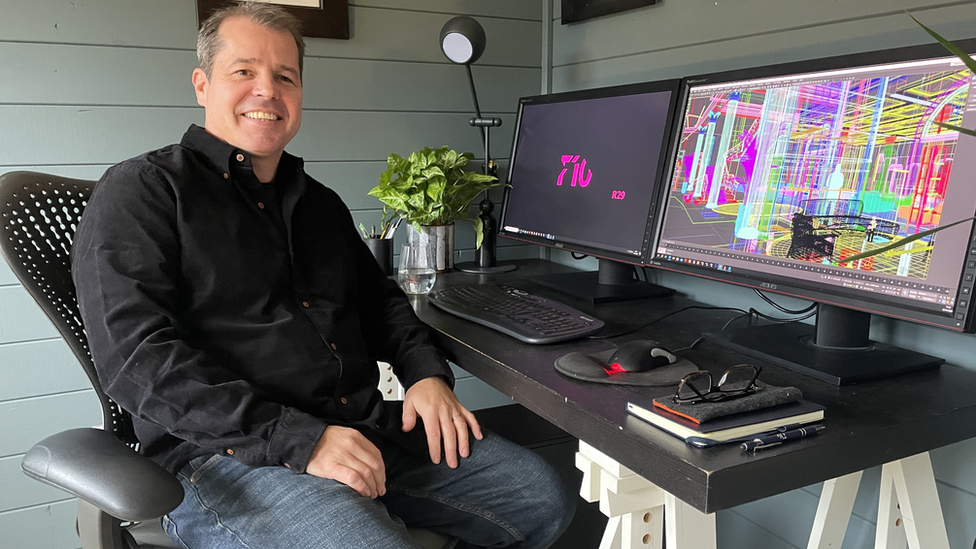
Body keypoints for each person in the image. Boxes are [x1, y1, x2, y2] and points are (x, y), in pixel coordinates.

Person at [71, 3, 575, 548]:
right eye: (244, 71)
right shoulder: (143, 191)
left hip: (359, 427)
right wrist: (300, 440)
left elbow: (379, 301)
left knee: (539, 496)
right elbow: (135, 358)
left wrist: (425, 375)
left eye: (285, 76)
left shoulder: (319, 205)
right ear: (202, 84)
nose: (267, 90)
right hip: (224, 456)